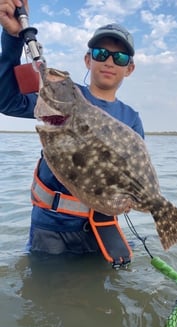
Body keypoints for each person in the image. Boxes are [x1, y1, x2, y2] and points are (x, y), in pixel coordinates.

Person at [0, 0, 145, 263]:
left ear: (129, 68)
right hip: (51, 228)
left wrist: (130, 198)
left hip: (101, 230)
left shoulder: (131, 118)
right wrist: (12, 40)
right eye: (101, 53)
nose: (109, 61)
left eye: (120, 57)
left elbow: (134, 173)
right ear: (88, 60)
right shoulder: (62, 96)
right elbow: (7, 101)